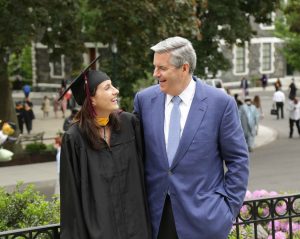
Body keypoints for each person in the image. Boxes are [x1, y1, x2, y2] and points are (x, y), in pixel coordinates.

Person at [133, 36, 249, 239]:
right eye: (155, 67)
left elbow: (238, 160)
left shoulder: (220, 103)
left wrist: (227, 212)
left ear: (184, 68)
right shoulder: (144, 101)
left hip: (205, 221)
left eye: (161, 68)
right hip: (156, 221)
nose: (155, 74)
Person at [59, 64, 151, 239]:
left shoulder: (129, 125)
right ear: (91, 98)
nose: (116, 91)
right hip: (99, 231)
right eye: (108, 87)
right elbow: (71, 197)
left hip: (136, 227)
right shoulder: (74, 139)